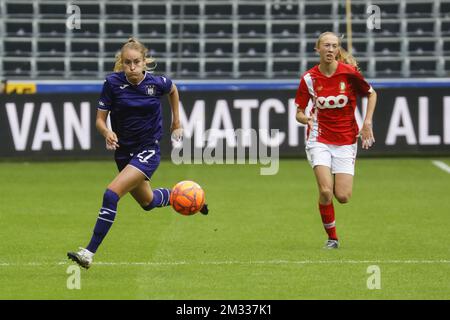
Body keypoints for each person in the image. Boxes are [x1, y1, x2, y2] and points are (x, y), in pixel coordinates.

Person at [68, 38, 208, 269]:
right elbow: (99, 121)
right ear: (121, 64)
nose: (132, 67)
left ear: (145, 62)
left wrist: (177, 122)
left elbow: (172, 90)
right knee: (148, 202)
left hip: (148, 150)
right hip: (124, 153)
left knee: (111, 195)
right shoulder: (112, 84)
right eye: (127, 63)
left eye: (136, 62)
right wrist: (106, 132)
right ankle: (187, 196)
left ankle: (88, 252)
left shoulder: (157, 83)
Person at [294, 32, 377, 249]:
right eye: (326, 45)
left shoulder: (349, 73)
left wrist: (367, 122)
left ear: (338, 50)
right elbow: (299, 112)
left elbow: (371, 93)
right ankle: (332, 238)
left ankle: (334, 176)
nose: (330, 49)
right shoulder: (309, 79)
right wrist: (306, 119)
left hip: (346, 139)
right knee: (325, 191)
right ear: (317, 49)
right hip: (318, 137)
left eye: (334, 46)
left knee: (343, 196)